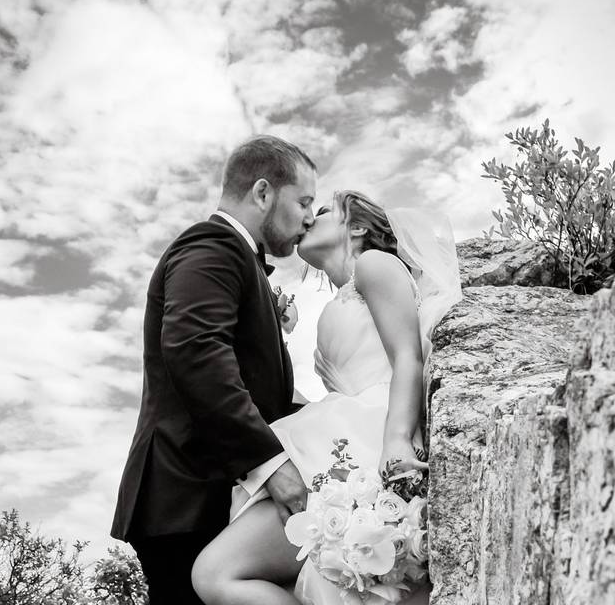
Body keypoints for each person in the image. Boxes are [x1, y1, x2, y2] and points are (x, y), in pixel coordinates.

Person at [192, 190, 462, 605]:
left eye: (321, 211)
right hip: (341, 437)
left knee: (217, 574)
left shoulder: (374, 263)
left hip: (377, 437)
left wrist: (396, 441)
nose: (307, 219)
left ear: (356, 227)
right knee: (238, 577)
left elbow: (408, 356)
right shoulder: (339, 299)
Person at [110, 135, 318, 604]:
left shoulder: (237, 258)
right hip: (186, 495)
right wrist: (271, 463)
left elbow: (252, 384)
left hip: (205, 497)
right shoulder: (213, 245)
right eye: (303, 201)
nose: (309, 216)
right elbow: (195, 349)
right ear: (263, 193)